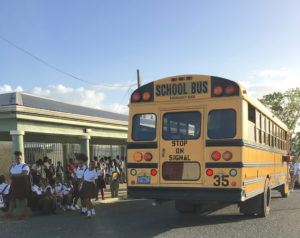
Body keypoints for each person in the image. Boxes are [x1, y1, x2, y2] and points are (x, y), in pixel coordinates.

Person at [5, 151, 31, 220]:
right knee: (12, 198)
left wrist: (14, 175)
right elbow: (10, 175)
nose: (18, 158)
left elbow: (23, 174)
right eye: (17, 157)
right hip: (14, 183)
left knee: (23, 198)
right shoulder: (13, 166)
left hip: (22, 183)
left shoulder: (25, 166)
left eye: (19, 157)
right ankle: (10, 213)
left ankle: (24, 214)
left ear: (21, 157)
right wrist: (12, 175)